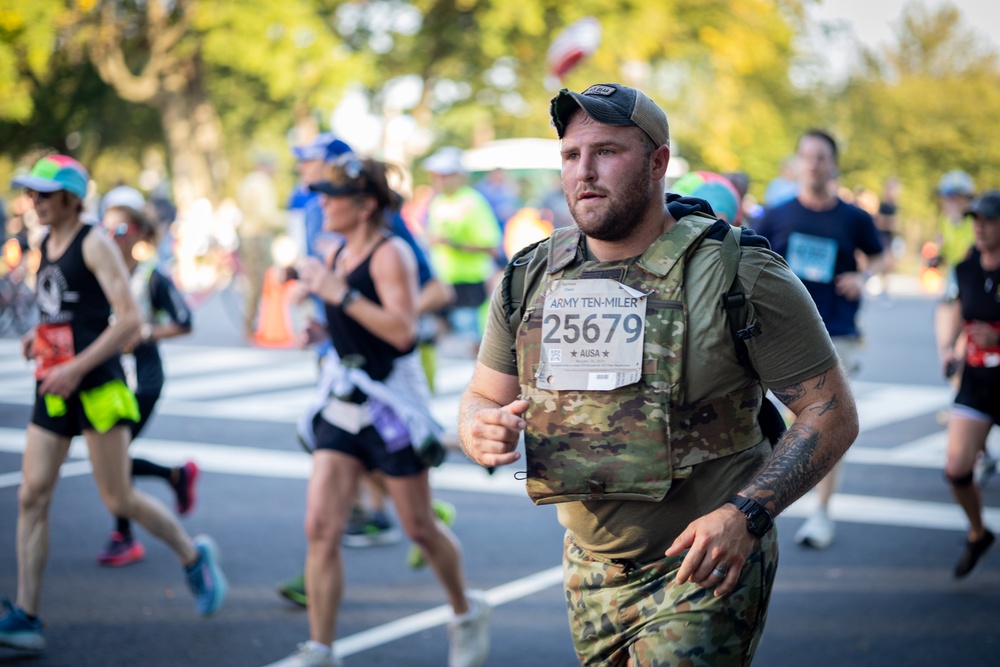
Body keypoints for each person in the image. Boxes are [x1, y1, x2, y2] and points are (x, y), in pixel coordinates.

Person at [459, 83, 858, 666]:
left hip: (703, 568)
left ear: (658, 162)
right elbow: (479, 397)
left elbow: (831, 413)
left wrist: (746, 515)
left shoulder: (738, 271)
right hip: (588, 570)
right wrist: (478, 429)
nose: (584, 171)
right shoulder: (532, 275)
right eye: (571, 155)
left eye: (607, 152)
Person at [263, 155, 489, 667]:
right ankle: (320, 648)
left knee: (419, 528)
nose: (320, 204)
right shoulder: (337, 252)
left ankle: (466, 611)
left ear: (364, 206)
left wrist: (337, 294)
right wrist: (323, 329)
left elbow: (402, 331)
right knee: (320, 525)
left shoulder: (390, 256)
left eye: (331, 196)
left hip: (390, 403)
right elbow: (352, 322)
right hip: (343, 400)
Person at [0, 155, 226, 653]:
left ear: (70, 200)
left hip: (96, 384)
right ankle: (26, 618)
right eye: (31, 192)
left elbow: (128, 321)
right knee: (32, 495)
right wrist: (38, 340)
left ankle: (192, 557)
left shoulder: (95, 242)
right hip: (54, 384)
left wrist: (77, 365)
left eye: (43, 194)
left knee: (118, 498)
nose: (33, 201)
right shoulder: (43, 243)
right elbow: (62, 310)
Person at [754, 129, 885, 550]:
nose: (813, 164)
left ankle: (821, 514)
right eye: (807, 156)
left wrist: (862, 277)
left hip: (836, 331)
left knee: (823, 420)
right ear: (797, 163)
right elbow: (748, 258)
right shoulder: (776, 215)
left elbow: (881, 253)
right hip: (780, 333)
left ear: (833, 165)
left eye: (821, 157)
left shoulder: (853, 218)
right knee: (777, 422)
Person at [95, 199, 199, 567]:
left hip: (144, 380)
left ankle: (123, 536)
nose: (111, 237)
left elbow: (185, 321)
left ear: (137, 234)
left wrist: (146, 333)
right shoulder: (97, 272)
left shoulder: (151, 275)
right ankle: (174, 475)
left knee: (115, 459)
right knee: (112, 459)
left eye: (120, 230)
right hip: (108, 378)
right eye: (104, 229)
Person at [935, 190, 1000, 578]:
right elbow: (954, 308)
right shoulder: (966, 269)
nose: (979, 227)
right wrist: (949, 348)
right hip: (977, 381)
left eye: (988, 220)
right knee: (957, 469)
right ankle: (978, 532)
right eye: (975, 219)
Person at [422, 147, 502, 354]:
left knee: (476, 344)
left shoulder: (473, 202)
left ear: (458, 176)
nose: (438, 180)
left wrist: (451, 243)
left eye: (443, 175)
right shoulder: (437, 202)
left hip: (470, 282)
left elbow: (491, 247)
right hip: (444, 281)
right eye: (435, 175)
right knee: (433, 336)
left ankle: (483, 385)